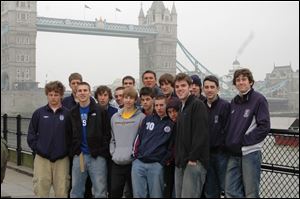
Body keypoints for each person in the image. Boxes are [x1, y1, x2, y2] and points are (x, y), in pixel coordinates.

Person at [225, 68, 270, 198]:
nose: (241, 82)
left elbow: (264, 126)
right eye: (237, 80)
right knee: (230, 190)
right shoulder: (234, 101)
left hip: (250, 153)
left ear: (250, 82)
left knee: (251, 192)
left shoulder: (259, 100)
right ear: (234, 84)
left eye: (244, 79)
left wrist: (243, 141)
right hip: (233, 153)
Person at [27, 81, 70, 197]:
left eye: (56, 94)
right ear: (47, 95)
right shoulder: (39, 113)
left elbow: (72, 136)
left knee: (62, 191)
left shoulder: (68, 114)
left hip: (62, 159)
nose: (53, 97)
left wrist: (65, 151)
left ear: (61, 95)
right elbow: (31, 135)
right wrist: (39, 149)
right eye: (50, 94)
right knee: (40, 190)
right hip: (42, 158)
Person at [68, 82, 110, 198]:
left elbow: (107, 133)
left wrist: (102, 151)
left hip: (97, 156)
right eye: (79, 91)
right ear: (76, 94)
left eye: (85, 90)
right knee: (76, 190)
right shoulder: (72, 112)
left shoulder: (100, 110)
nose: (82, 93)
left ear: (90, 92)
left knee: (100, 190)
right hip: (79, 156)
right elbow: (69, 134)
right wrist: (76, 150)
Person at [132, 95, 175, 198]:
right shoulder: (147, 119)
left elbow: (172, 146)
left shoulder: (172, 123)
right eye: (156, 105)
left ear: (166, 106)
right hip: (139, 163)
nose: (159, 108)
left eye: (161, 105)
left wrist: (162, 162)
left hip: (156, 164)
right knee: (138, 194)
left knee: (156, 195)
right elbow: (138, 138)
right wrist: (135, 157)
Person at [174, 73, 209, 198]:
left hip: (193, 162)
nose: (179, 89)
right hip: (181, 161)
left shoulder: (197, 105)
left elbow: (201, 133)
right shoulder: (181, 107)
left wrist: (193, 158)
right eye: (177, 86)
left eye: (183, 85)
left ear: (190, 87)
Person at [110, 87, 146, 198]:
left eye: (131, 98)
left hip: (133, 162)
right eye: (126, 97)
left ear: (136, 100)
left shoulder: (141, 117)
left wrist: (136, 155)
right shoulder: (115, 117)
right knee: (115, 191)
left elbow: (143, 140)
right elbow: (112, 138)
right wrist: (113, 153)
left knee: (132, 193)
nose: (128, 100)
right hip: (117, 161)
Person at [202, 75, 230, 198]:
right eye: (206, 87)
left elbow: (228, 129)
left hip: (221, 154)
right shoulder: (200, 106)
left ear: (218, 89)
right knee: (210, 190)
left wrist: (224, 147)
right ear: (203, 89)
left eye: (212, 87)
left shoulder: (225, 106)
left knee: (227, 188)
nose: (209, 90)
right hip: (205, 155)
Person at [94, 85, 118, 198]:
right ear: (96, 97)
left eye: (105, 95)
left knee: (111, 180)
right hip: (98, 150)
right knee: (99, 181)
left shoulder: (115, 112)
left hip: (112, 150)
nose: (102, 98)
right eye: (100, 95)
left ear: (109, 97)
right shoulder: (92, 110)